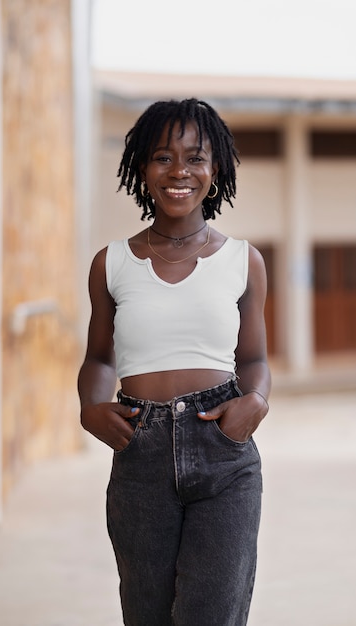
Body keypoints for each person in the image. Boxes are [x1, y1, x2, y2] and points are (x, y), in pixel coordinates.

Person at [78, 98, 271, 626]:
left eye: (195, 157)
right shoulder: (112, 262)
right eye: (163, 157)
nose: (180, 171)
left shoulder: (243, 261)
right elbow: (99, 357)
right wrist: (91, 406)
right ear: (142, 168)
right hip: (140, 454)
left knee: (211, 613)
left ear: (217, 169)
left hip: (223, 453)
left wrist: (254, 402)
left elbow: (253, 358)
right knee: (148, 615)